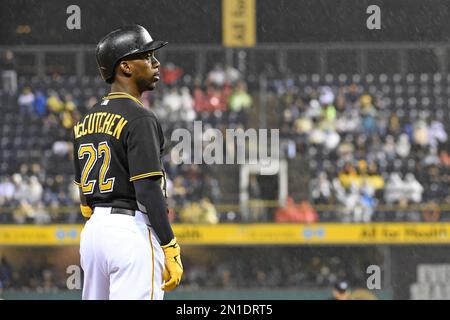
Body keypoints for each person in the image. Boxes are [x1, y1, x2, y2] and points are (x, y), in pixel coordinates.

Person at [73, 25, 183, 300]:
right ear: (125, 67)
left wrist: (100, 223)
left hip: (94, 234)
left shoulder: (85, 121)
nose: (156, 63)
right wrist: (170, 245)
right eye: (146, 56)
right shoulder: (140, 117)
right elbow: (147, 190)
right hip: (130, 231)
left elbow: (84, 198)